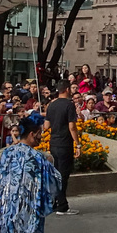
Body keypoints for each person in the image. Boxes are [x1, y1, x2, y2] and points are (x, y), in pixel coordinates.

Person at [44, 80, 81, 215]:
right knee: (63, 175)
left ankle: (54, 202)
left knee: (55, 174)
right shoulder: (69, 105)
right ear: (66, 89)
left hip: (54, 142)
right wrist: (78, 143)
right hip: (65, 143)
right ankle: (62, 205)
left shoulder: (52, 105)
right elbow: (72, 127)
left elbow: (46, 126)